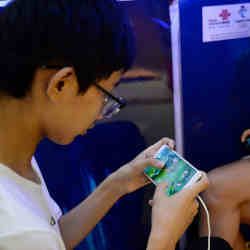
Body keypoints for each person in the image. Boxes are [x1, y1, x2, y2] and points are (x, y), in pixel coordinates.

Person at [0, 1, 209, 249]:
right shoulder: (18, 231)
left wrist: (117, 184)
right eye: (106, 94)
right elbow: (37, 238)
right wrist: (164, 237)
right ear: (61, 84)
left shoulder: (15, 157)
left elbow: (53, 238)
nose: (102, 113)